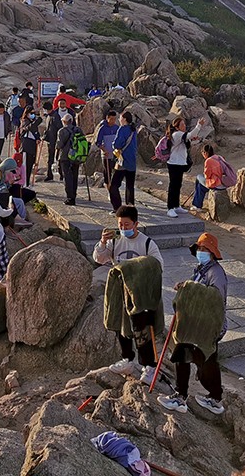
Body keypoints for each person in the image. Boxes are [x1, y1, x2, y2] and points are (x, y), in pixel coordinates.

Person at [158, 233, 228, 415]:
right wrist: (185, 286)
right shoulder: (201, 269)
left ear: (213, 253)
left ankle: (215, 399)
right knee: (182, 355)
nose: (201, 252)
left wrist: (190, 287)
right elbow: (195, 288)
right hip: (193, 324)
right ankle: (180, 395)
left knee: (207, 362)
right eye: (199, 248)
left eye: (205, 249)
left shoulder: (216, 273)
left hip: (207, 327)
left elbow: (215, 298)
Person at [94, 205, 165, 384]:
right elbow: (99, 259)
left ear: (136, 224)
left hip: (140, 295)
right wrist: (102, 243)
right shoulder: (115, 241)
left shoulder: (147, 243)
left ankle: (149, 366)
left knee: (142, 329)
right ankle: (127, 359)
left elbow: (157, 265)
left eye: (127, 224)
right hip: (119, 290)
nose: (123, 228)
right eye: (120, 224)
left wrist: (133, 268)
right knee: (121, 325)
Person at [164, 117, 205, 218]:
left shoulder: (181, 135)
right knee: (173, 186)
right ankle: (170, 208)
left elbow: (188, 140)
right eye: (182, 125)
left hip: (180, 163)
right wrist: (199, 125)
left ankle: (176, 206)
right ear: (177, 127)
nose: (184, 126)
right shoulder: (176, 134)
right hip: (174, 164)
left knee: (178, 185)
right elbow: (191, 134)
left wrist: (192, 139)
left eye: (184, 124)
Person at [109, 111, 138, 211]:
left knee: (114, 186)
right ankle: (130, 208)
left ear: (124, 119)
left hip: (122, 161)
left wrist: (113, 145)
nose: (119, 119)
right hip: (132, 161)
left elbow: (117, 144)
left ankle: (117, 207)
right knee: (130, 186)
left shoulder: (122, 129)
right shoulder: (133, 129)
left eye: (120, 118)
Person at [191, 145, 229, 210]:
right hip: (223, 183)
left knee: (198, 177)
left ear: (205, 153)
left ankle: (197, 205)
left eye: (202, 153)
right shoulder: (219, 157)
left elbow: (207, 176)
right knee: (200, 186)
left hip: (216, 184)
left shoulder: (208, 161)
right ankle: (196, 204)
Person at [56, 112, 82, 206]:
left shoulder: (62, 131)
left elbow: (59, 145)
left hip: (65, 157)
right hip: (76, 157)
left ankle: (70, 198)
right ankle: (74, 194)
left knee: (67, 177)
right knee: (74, 176)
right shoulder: (78, 130)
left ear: (64, 121)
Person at [95, 110, 120, 189]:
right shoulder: (102, 129)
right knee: (107, 172)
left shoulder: (117, 128)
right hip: (106, 154)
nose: (113, 121)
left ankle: (114, 187)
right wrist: (103, 150)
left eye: (114, 119)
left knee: (115, 171)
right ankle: (108, 187)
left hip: (115, 154)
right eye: (111, 119)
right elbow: (98, 142)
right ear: (107, 118)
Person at [18, 106, 42, 183]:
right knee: (25, 167)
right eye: (31, 113)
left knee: (30, 166)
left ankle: (27, 183)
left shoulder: (32, 121)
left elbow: (35, 132)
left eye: (34, 113)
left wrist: (38, 138)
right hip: (26, 147)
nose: (33, 114)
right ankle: (24, 183)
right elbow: (29, 128)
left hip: (32, 147)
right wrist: (38, 121)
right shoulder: (25, 121)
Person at [43, 102, 63, 182]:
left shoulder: (55, 116)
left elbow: (59, 128)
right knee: (50, 159)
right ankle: (49, 175)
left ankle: (61, 174)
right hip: (50, 141)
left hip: (56, 141)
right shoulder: (48, 116)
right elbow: (47, 129)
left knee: (59, 158)